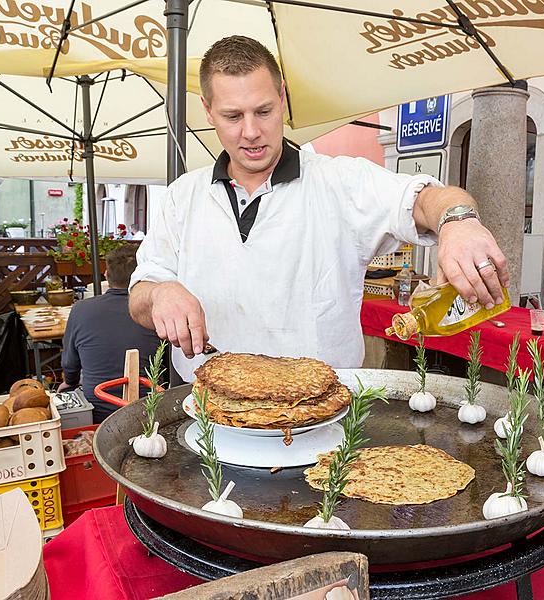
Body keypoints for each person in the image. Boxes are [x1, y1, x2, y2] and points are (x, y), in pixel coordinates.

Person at [129, 35, 509, 380]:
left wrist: (458, 222)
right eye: (233, 116)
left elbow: (425, 199)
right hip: (207, 404)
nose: (250, 131)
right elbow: (141, 294)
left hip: (322, 409)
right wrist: (160, 293)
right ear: (208, 111)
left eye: (263, 111)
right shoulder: (183, 195)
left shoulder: (340, 181)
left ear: (282, 98)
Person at [61, 244, 161, 422]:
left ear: (106, 276)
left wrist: (69, 382)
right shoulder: (156, 311)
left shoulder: (81, 309)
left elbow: (70, 364)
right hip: (149, 410)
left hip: (97, 412)